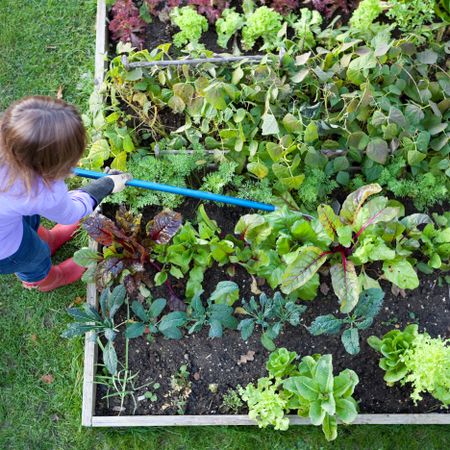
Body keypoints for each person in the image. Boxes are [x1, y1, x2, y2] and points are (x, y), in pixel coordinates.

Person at [0, 96, 131, 292]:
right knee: (33, 258)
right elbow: (71, 212)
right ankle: (49, 279)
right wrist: (105, 186)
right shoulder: (39, 191)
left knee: (26, 221)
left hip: (7, 217)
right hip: (6, 249)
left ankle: (50, 240)